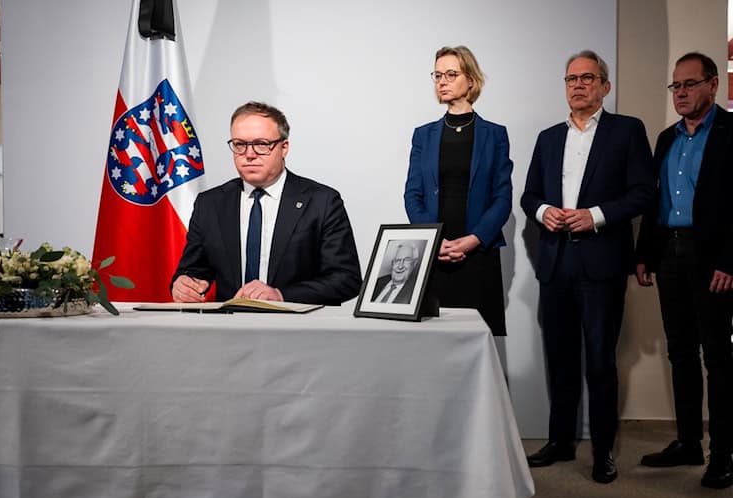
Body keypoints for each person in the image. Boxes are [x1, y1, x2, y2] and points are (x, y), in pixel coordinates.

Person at [520, 50, 655, 484]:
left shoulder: (627, 131)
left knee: (599, 362)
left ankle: (603, 452)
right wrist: (545, 212)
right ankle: (560, 441)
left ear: (605, 87)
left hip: (602, 262)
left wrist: (593, 214)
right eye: (571, 79)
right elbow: (528, 196)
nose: (578, 85)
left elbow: (642, 193)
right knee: (559, 359)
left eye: (588, 78)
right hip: (555, 261)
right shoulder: (547, 138)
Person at [635, 52, 733, 489]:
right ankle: (688, 442)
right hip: (669, 252)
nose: (682, 93)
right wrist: (645, 255)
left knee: (717, 357)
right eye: (676, 86)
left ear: (713, 84)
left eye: (690, 84)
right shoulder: (667, 137)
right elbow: (656, 204)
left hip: (712, 258)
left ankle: (721, 456)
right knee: (680, 352)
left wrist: (731, 261)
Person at [172, 102, 361, 305]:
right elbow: (193, 271)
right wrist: (183, 284)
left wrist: (281, 296)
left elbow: (346, 279)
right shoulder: (210, 203)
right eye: (240, 144)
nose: (250, 154)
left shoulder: (321, 201)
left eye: (262, 144)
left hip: (300, 329)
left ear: (284, 148)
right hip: (230, 329)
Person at [404, 45, 512, 335]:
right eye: (438, 75)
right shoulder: (423, 135)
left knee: (478, 346)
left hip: (477, 254)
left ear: (471, 81)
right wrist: (434, 239)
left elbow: (503, 198)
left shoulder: (495, 134)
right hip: (433, 256)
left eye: (451, 74)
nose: (442, 81)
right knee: (430, 344)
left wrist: (474, 240)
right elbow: (412, 194)